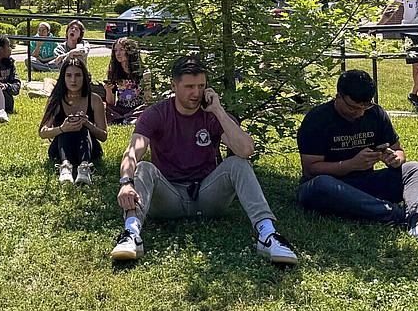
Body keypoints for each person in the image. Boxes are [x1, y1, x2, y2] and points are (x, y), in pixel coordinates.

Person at [110, 55, 297, 265]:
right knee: (144, 168)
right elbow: (133, 151)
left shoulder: (212, 115)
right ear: (174, 85)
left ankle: (268, 235)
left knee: (237, 163)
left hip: (207, 195)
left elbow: (245, 150)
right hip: (168, 196)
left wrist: (218, 110)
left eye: (201, 86)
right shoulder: (157, 114)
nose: (196, 93)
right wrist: (126, 183)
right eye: (189, 86)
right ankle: (131, 234)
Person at [296, 70, 418, 248]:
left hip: (367, 183)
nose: (360, 113)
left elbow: (398, 151)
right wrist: (350, 165)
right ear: (338, 97)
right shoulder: (317, 119)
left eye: (365, 107)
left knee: (417, 168)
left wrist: (395, 159)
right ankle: (398, 215)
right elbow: (310, 169)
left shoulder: (376, 114)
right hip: (332, 186)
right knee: (320, 186)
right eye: (353, 108)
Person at [38, 54, 107, 184]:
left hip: (89, 147)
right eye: (69, 76)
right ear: (63, 78)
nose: (73, 80)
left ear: (84, 77)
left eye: (78, 75)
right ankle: (65, 167)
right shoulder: (56, 100)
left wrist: (87, 124)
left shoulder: (94, 99)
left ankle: (84, 167)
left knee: (82, 129)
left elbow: (103, 136)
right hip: (61, 147)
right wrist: (62, 128)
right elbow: (42, 132)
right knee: (68, 130)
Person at [105, 37, 149, 125]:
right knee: (102, 106)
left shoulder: (143, 72)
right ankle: (125, 119)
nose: (118, 53)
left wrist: (148, 82)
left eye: (121, 50)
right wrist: (108, 91)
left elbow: (148, 100)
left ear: (130, 51)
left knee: (148, 109)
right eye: (115, 50)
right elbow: (111, 103)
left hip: (137, 108)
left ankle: (123, 119)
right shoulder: (114, 72)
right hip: (120, 108)